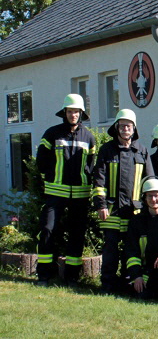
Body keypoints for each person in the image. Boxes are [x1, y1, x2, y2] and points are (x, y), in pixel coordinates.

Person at [36, 94, 96, 287]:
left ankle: (72, 277)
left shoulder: (89, 137)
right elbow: (41, 161)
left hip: (80, 194)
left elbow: (91, 165)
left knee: (77, 234)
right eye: (70, 111)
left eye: (76, 112)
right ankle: (44, 275)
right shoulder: (52, 134)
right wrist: (50, 178)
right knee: (48, 230)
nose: (73, 115)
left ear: (81, 114)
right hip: (56, 192)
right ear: (65, 113)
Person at [92, 108, 153, 294]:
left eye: (129, 126)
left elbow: (150, 181)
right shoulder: (107, 150)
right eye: (122, 125)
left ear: (134, 129)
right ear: (116, 127)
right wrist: (101, 205)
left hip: (134, 212)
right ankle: (108, 285)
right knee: (110, 250)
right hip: (111, 211)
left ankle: (129, 285)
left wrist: (147, 209)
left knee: (131, 250)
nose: (126, 129)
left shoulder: (142, 151)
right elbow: (99, 179)